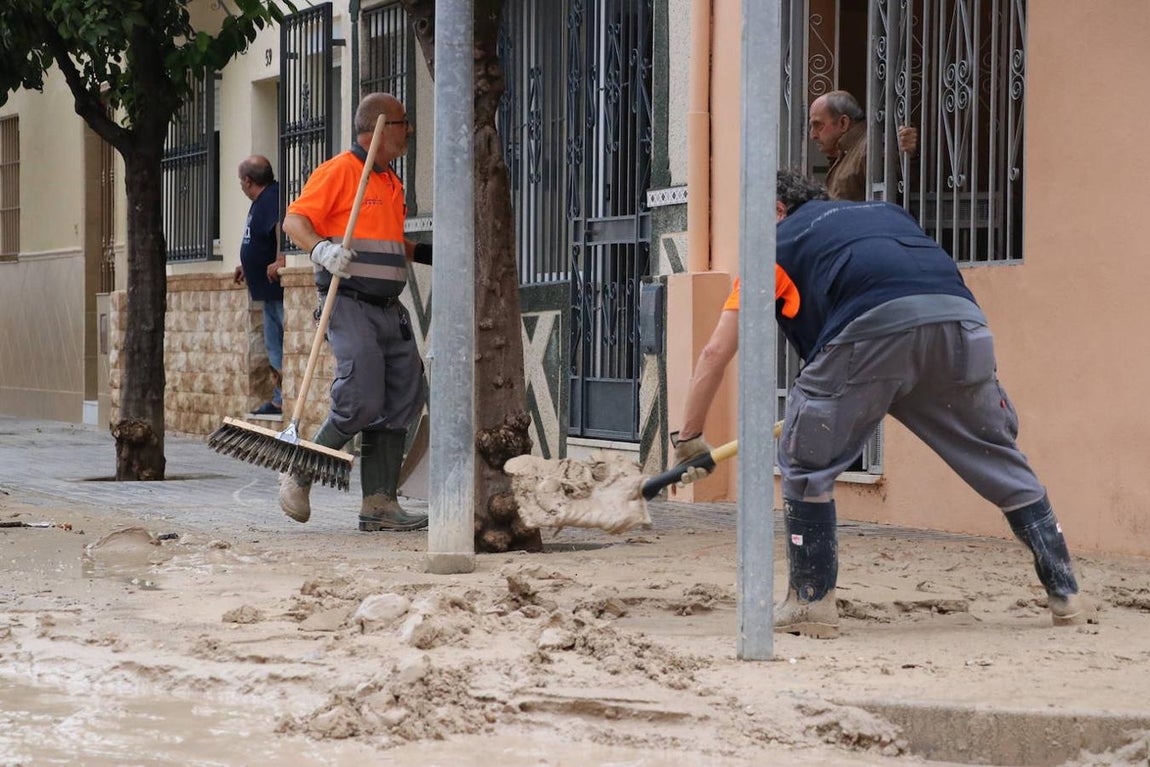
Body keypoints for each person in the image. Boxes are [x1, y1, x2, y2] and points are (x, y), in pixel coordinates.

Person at [670, 169, 1097, 638]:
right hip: (961, 327)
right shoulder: (886, 214)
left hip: (867, 336)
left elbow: (715, 353)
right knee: (998, 459)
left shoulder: (774, 247)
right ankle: (1067, 594)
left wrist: (688, 438)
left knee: (806, 461)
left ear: (774, 210)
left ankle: (811, 603)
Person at [278, 92, 432, 532]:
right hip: (348, 303)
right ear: (380, 127)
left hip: (389, 307)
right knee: (362, 396)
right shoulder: (340, 171)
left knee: (403, 395)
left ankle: (379, 505)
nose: (410, 131)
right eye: (404, 123)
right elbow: (295, 221)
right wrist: (322, 249)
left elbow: (388, 243)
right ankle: (300, 471)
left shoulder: (390, 182)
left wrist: (426, 253)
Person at [234, 155, 285, 416]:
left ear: (248, 180)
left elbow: (280, 228)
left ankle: (283, 399)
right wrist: (247, 264)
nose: (241, 186)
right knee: (272, 346)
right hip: (264, 289)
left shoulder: (271, 198)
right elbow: (258, 238)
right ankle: (279, 399)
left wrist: (280, 258)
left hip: (275, 289)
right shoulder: (260, 201)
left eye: (241, 181)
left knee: (278, 346)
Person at [808, 90, 917, 202]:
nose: (813, 135)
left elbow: (889, 200)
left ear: (843, 123)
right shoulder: (847, 151)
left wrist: (909, 155)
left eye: (818, 125)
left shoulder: (870, 149)